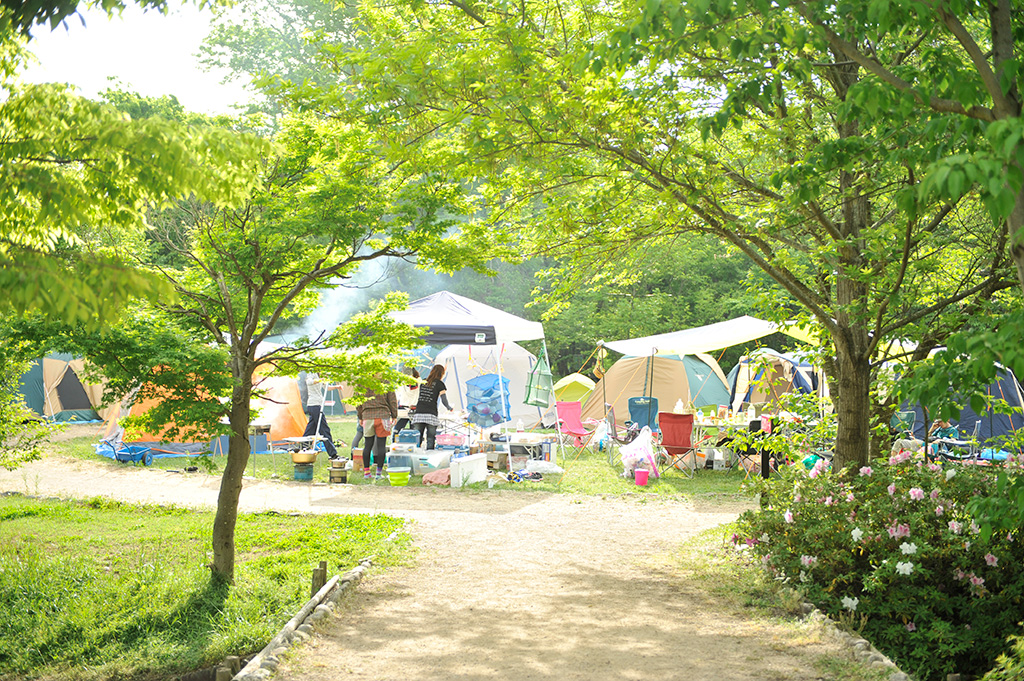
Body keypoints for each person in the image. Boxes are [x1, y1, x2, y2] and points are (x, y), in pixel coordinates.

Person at [357, 386, 398, 480]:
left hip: (367, 416)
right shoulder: (386, 381)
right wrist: (394, 415)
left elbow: (358, 402)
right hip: (383, 416)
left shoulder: (362, 382)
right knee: (381, 446)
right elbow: (392, 400)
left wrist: (360, 416)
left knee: (367, 445)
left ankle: (367, 473)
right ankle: (378, 474)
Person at [411, 364, 452, 450]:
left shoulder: (424, 381)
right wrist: (449, 407)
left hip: (419, 413)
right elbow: (443, 399)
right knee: (430, 439)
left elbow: (422, 397)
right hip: (431, 414)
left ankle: (416, 458)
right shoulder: (440, 384)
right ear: (441, 373)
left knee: (417, 439)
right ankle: (429, 459)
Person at [303, 372, 340, 459]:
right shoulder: (311, 374)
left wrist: (336, 387)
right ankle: (333, 454)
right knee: (324, 430)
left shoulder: (320, 376)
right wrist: (320, 380)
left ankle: (302, 447)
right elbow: (309, 382)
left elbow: (326, 387)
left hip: (318, 404)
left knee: (311, 429)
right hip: (314, 405)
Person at [392, 368, 420, 443]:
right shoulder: (419, 381)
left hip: (403, 408)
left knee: (397, 429)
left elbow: (397, 396)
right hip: (414, 408)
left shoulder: (402, 382)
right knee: (414, 431)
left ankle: (395, 443)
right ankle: (414, 445)